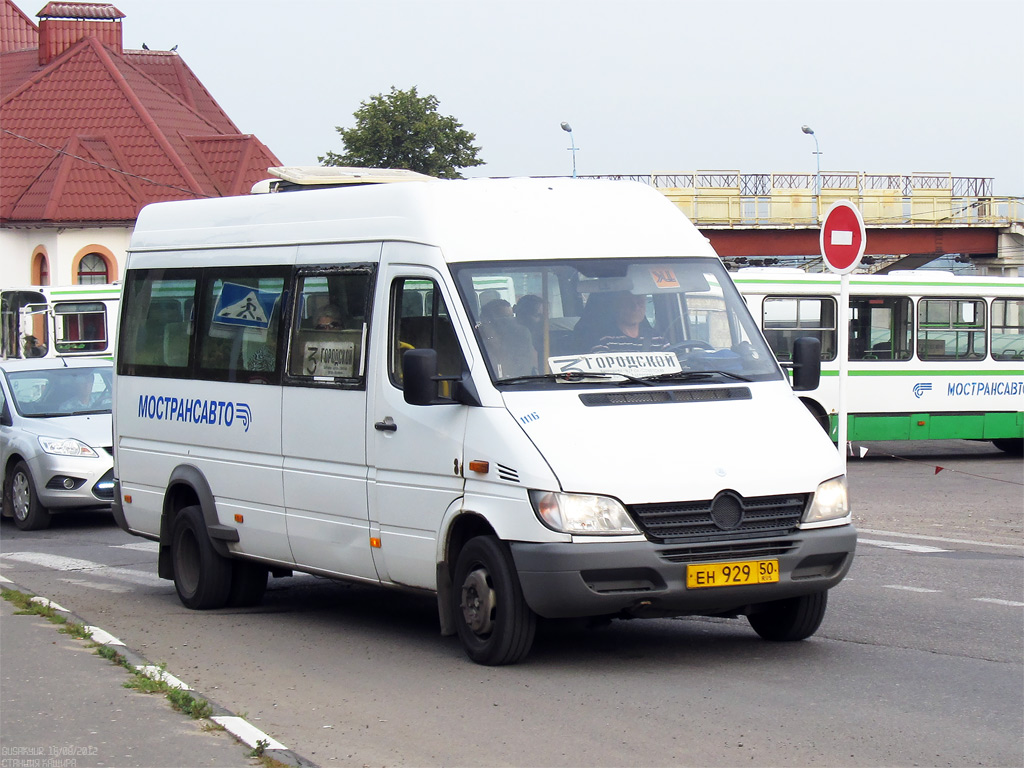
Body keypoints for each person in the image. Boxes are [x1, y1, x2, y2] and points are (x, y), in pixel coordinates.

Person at [588, 292, 670, 353]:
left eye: (640, 302)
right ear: (618, 306)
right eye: (629, 303)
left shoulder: (659, 340)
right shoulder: (605, 342)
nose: (636, 307)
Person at [479, 299, 536, 377]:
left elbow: (526, 367)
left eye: (512, 317)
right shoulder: (475, 341)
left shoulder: (520, 338)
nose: (511, 321)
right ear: (487, 321)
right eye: (505, 318)